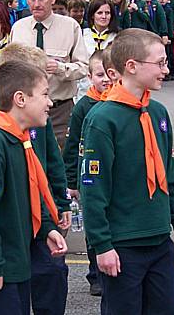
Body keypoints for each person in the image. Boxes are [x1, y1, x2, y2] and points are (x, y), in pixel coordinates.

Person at [81, 28, 174, 314]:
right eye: (160, 63)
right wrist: (101, 245)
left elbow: (169, 170)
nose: (166, 70)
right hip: (123, 243)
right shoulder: (103, 119)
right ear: (131, 66)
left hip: (158, 238)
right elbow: (93, 187)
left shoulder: (157, 113)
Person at [0, 44, 73, 315]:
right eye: (45, 95)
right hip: (0, 263)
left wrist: (47, 228)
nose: (50, 102)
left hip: (16, 257)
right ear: (20, 99)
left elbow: (31, 192)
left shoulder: (19, 138)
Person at [11, 0, 89, 148]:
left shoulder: (70, 27)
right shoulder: (18, 28)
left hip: (59, 111)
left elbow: (84, 67)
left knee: (58, 164)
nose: (37, 4)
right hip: (25, 111)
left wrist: (61, 68)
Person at [63, 50, 111, 297]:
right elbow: (71, 147)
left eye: (108, 74)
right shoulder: (83, 106)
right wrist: (71, 181)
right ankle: (96, 274)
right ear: (90, 77)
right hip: (88, 177)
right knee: (94, 225)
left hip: (112, 178)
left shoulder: (117, 103)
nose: (105, 80)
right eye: (99, 75)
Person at [156, 0, 174, 81]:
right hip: (159, 33)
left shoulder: (169, 10)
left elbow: (170, 23)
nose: (162, 0)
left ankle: (172, 71)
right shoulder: (156, 8)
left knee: (169, 53)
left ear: (168, 0)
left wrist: (169, 35)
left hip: (167, 34)